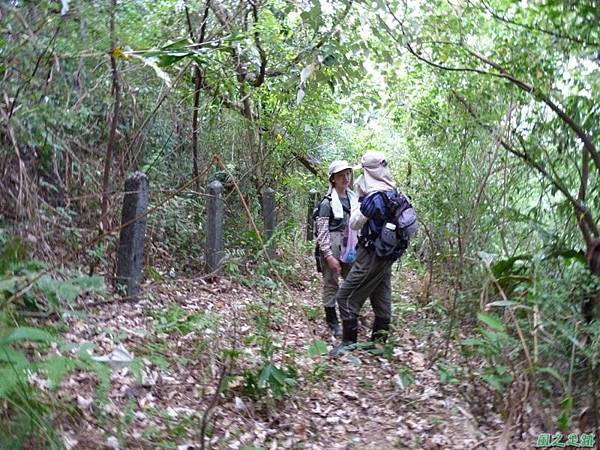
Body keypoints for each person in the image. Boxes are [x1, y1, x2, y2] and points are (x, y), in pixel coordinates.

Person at [331, 151, 398, 355]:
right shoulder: (394, 192)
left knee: (344, 297)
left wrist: (361, 201)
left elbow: (354, 223)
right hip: (388, 254)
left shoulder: (374, 197)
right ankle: (378, 345)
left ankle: (348, 343)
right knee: (381, 297)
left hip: (370, 254)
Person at [315, 160, 359, 337]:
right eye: (340, 174)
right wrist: (328, 255)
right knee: (331, 283)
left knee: (352, 282)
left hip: (351, 245)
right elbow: (322, 231)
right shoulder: (326, 204)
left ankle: (350, 318)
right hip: (333, 245)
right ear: (332, 178)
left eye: (348, 173)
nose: (345, 177)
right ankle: (332, 322)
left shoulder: (353, 198)